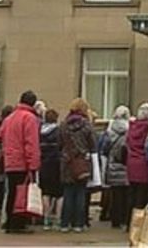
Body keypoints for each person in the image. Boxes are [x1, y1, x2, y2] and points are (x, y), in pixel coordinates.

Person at [0, 91, 41, 233]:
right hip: (22, 162)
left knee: (12, 192)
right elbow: (31, 143)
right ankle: (18, 223)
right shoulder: (29, 118)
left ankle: (9, 221)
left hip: (10, 161)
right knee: (22, 194)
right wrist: (33, 164)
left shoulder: (9, 118)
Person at [58, 98, 96, 233]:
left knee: (68, 193)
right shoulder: (87, 125)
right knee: (80, 193)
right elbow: (93, 145)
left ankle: (64, 223)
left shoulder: (63, 125)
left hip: (67, 162)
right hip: (82, 162)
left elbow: (59, 143)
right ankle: (78, 224)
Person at [126, 103, 148, 223]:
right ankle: (139, 223)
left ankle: (129, 222)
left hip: (131, 163)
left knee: (131, 194)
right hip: (144, 164)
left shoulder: (131, 127)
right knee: (142, 197)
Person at [103, 105, 130, 229]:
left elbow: (105, 148)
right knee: (125, 195)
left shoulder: (110, 130)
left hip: (113, 164)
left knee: (115, 194)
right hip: (125, 165)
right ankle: (124, 218)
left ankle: (115, 219)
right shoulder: (129, 130)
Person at [38, 109, 62, 230]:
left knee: (45, 193)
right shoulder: (58, 131)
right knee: (59, 194)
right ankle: (58, 219)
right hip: (57, 164)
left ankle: (46, 219)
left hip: (43, 164)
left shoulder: (39, 131)